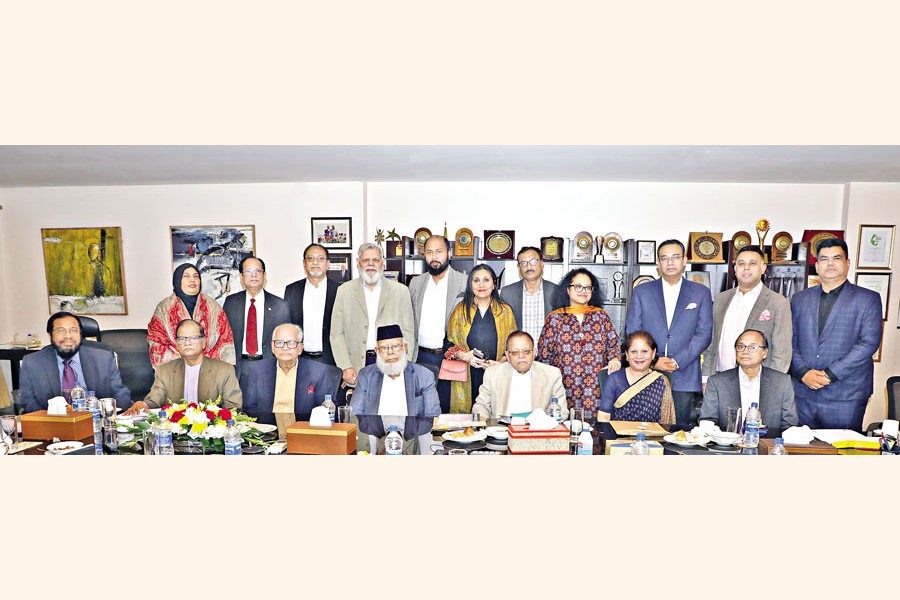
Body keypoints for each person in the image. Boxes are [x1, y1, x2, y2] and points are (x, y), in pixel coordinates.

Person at [790, 238, 882, 430]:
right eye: (824, 259)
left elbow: (868, 343)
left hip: (846, 395)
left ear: (847, 263)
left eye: (837, 258)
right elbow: (789, 341)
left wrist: (829, 375)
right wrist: (803, 373)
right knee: (800, 447)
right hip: (803, 393)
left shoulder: (868, 299)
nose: (830, 263)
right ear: (817, 266)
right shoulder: (799, 299)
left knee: (842, 448)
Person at [625, 239, 712, 427]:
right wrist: (654, 360)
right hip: (646, 372)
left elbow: (704, 334)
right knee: (644, 428)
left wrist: (677, 361)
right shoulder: (642, 291)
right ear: (658, 263)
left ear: (684, 261)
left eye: (675, 257)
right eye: (664, 258)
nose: (670, 263)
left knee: (679, 430)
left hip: (684, 373)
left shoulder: (701, 292)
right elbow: (633, 331)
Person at [537, 268, 621, 422]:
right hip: (563, 387)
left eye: (588, 287)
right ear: (567, 289)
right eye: (578, 287)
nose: (583, 291)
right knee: (564, 428)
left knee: (595, 430)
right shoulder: (555, 319)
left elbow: (614, 345)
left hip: (595, 388)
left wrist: (615, 359)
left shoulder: (601, 317)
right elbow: (544, 357)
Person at [702, 245, 792, 388]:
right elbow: (711, 342)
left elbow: (782, 352)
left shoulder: (778, 303)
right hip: (719, 379)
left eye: (753, 263)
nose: (746, 268)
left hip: (757, 383)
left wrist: (771, 387)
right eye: (741, 263)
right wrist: (706, 377)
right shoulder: (721, 298)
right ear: (735, 268)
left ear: (763, 268)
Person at [330, 243, 416, 390]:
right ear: (358, 263)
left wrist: (404, 365)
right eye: (366, 260)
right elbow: (336, 334)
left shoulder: (401, 291)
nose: (371, 264)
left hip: (391, 363)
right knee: (359, 404)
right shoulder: (344, 291)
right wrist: (345, 366)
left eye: (375, 260)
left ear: (383, 262)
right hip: (356, 365)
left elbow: (408, 333)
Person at [350, 325, 441, 454]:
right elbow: (355, 412)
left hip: (410, 437)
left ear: (405, 347)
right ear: (377, 351)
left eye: (395, 346)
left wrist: (406, 436)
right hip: (375, 436)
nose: (390, 352)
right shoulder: (366, 375)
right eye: (384, 348)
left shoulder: (423, 375)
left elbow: (432, 415)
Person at [242, 324, 341, 439]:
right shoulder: (258, 370)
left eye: (291, 343)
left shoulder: (318, 372)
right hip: (267, 435)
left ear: (300, 348)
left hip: (305, 434)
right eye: (279, 343)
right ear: (272, 347)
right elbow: (250, 409)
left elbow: (326, 411)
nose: (285, 348)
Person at [19, 311, 131, 412]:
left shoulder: (103, 359)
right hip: (52, 423)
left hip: (96, 420)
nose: (68, 336)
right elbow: (28, 402)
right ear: (50, 335)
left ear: (80, 334)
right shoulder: (32, 363)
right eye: (61, 331)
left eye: (73, 330)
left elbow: (120, 394)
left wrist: (111, 414)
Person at [125, 319, 242, 414]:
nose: (187, 343)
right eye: (182, 338)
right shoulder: (165, 370)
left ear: (203, 342)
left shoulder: (224, 370)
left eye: (193, 338)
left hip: (212, 432)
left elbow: (233, 408)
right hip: (175, 431)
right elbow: (154, 401)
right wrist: (142, 404)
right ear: (177, 344)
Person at [445, 264, 517, 414]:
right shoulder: (460, 310)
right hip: (467, 373)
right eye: (476, 280)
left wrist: (500, 364)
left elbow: (513, 346)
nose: (481, 285)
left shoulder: (505, 311)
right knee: (468, 420)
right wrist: (464, 356)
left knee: (494, 417)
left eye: (486, 280)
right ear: (470, 285)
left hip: (496, 372)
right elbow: (448, 343)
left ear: (493, 284)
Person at [701, 329, 798, 437]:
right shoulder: (717, 382)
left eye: (753, 347)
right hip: (729, 445)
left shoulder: (781, 382)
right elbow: (707, 421)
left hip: (768, 445)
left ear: (765, 353)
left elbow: (789, 426)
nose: (745, 351)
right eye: (740, 346)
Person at [408, 235, 467, 412]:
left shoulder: (464, 282)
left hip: (450, 357)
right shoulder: (416, 283)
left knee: (449, 410)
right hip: (420, 357)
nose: (434, 257)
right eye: (429, 252)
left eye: (439, 251)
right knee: (420, 410)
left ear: (449, 253)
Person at [148, 263, 236, 368]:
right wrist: (186, 365)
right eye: (186, 276)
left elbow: (225, 340)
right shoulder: (164, 309)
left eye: (196, 276)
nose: (192, 280)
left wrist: (203, 365)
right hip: (175, 369)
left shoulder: (213, 307)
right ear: (177, 280)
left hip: (210, 369)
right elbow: (156, 341)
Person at [222, 256, 290, 392]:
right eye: (248, 271)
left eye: (258, 271)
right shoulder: (231, 302)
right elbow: (224, 337)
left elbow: (287, 343)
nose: (254, 275)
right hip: (239, 368)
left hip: (269, 368)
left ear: (264, 275)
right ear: (241, 276)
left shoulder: (280, 306)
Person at [472, 331, 567, 420]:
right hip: (502, 429)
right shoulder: (493, 374)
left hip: (538, 429)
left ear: (534, 353)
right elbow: (481, 405)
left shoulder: (552, 374)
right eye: (515, 352)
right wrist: (482, 421)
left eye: (526, 351)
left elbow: (562, 412)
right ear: (508, 356)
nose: (521, 356)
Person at [597, 330, 675, 424]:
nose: (639, 356)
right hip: (621, 432)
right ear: (627, 354)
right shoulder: (615, 379)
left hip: (653, 433)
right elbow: (603, 417)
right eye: (633, 351)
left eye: (644, 351)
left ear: (653, 353)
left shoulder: (661, 381)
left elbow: (666, 422)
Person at [283, 243, 341, 366]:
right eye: (310, 258)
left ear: (328, 264)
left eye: (320, 258)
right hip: (300, 359)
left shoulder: (340, 290)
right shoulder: (292, 290)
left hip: (332, 360)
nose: (315, 262)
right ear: (304, 264)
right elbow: (287, 325)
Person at [500, 246, 559, 342]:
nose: (528, 267)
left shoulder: (557, 291)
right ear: (519, 267)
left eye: (533, 261)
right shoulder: (508, 293)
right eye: (523, 263)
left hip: (549, 350)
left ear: (542, 264)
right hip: (519, 350)